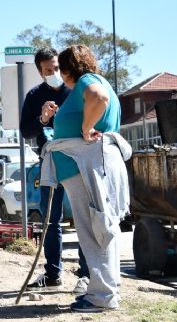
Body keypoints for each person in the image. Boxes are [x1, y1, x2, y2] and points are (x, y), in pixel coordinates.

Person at [40, 44, 130, 313]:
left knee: (94, 230)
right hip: (90, 164)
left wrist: (85, 127)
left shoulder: (88, 82)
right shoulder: (95, 82)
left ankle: (101, 296)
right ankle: (104, 291)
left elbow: (98, 98)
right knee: (101, 228)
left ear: (68, 69)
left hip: (86, 166)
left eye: (61, 69)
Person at [20, 48, 90, 293]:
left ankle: (87, 275)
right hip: (50, 162)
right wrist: (41, 119)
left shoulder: (76, 90)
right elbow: (26, 132)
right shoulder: (34, 96)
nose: (54, 73)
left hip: (78, 161)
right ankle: (52, 274)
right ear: (40, 72)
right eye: (48, 70)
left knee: (84, 218)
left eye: (57, 68)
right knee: (50, 219)